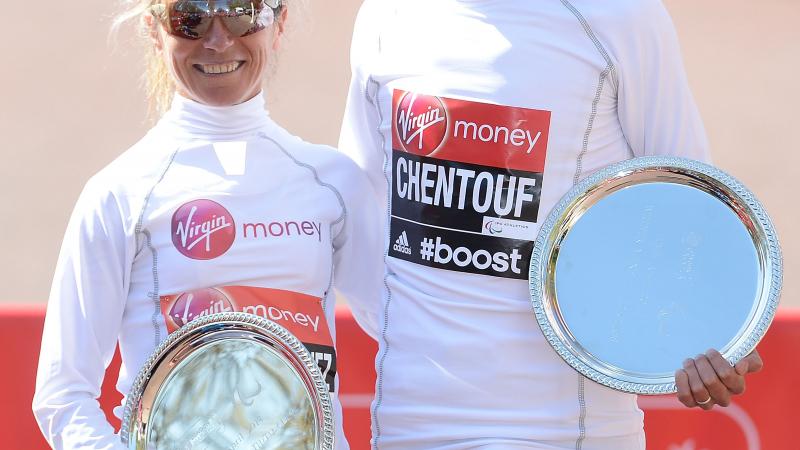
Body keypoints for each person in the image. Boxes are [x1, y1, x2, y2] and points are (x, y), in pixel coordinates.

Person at [339, 0, 763, 449]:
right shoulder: (386, 15)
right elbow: (365, 228)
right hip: (412, 426)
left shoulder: (621, 16)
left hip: (566, 431)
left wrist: (708, 335)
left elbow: (693, 206)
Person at [32, 1, 381, 448]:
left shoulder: (333, 182)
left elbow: (409, 331)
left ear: (279, 23)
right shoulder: (121, 193)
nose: (219, 40)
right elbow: (62, 396)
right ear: (155, 31)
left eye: (242, 12)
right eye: (190, 18)